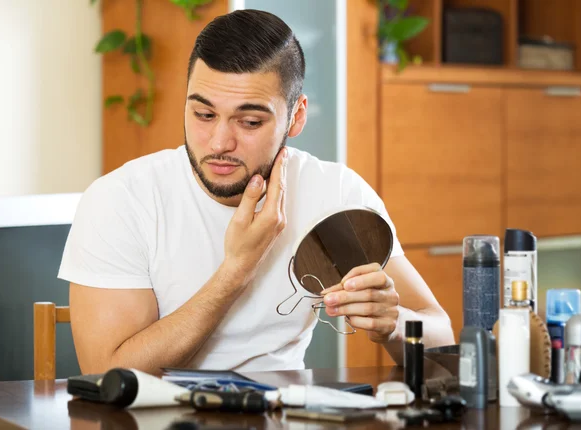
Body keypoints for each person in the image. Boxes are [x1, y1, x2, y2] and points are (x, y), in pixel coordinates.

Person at [59, 9, 454, 376]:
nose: (219, 142)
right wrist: (237, 269)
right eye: (203, 114)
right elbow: (106, 378)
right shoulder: (122, 200)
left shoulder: (334, 192)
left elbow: (442, 340)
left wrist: (394, 324)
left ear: (296, 116)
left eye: (249, 121)